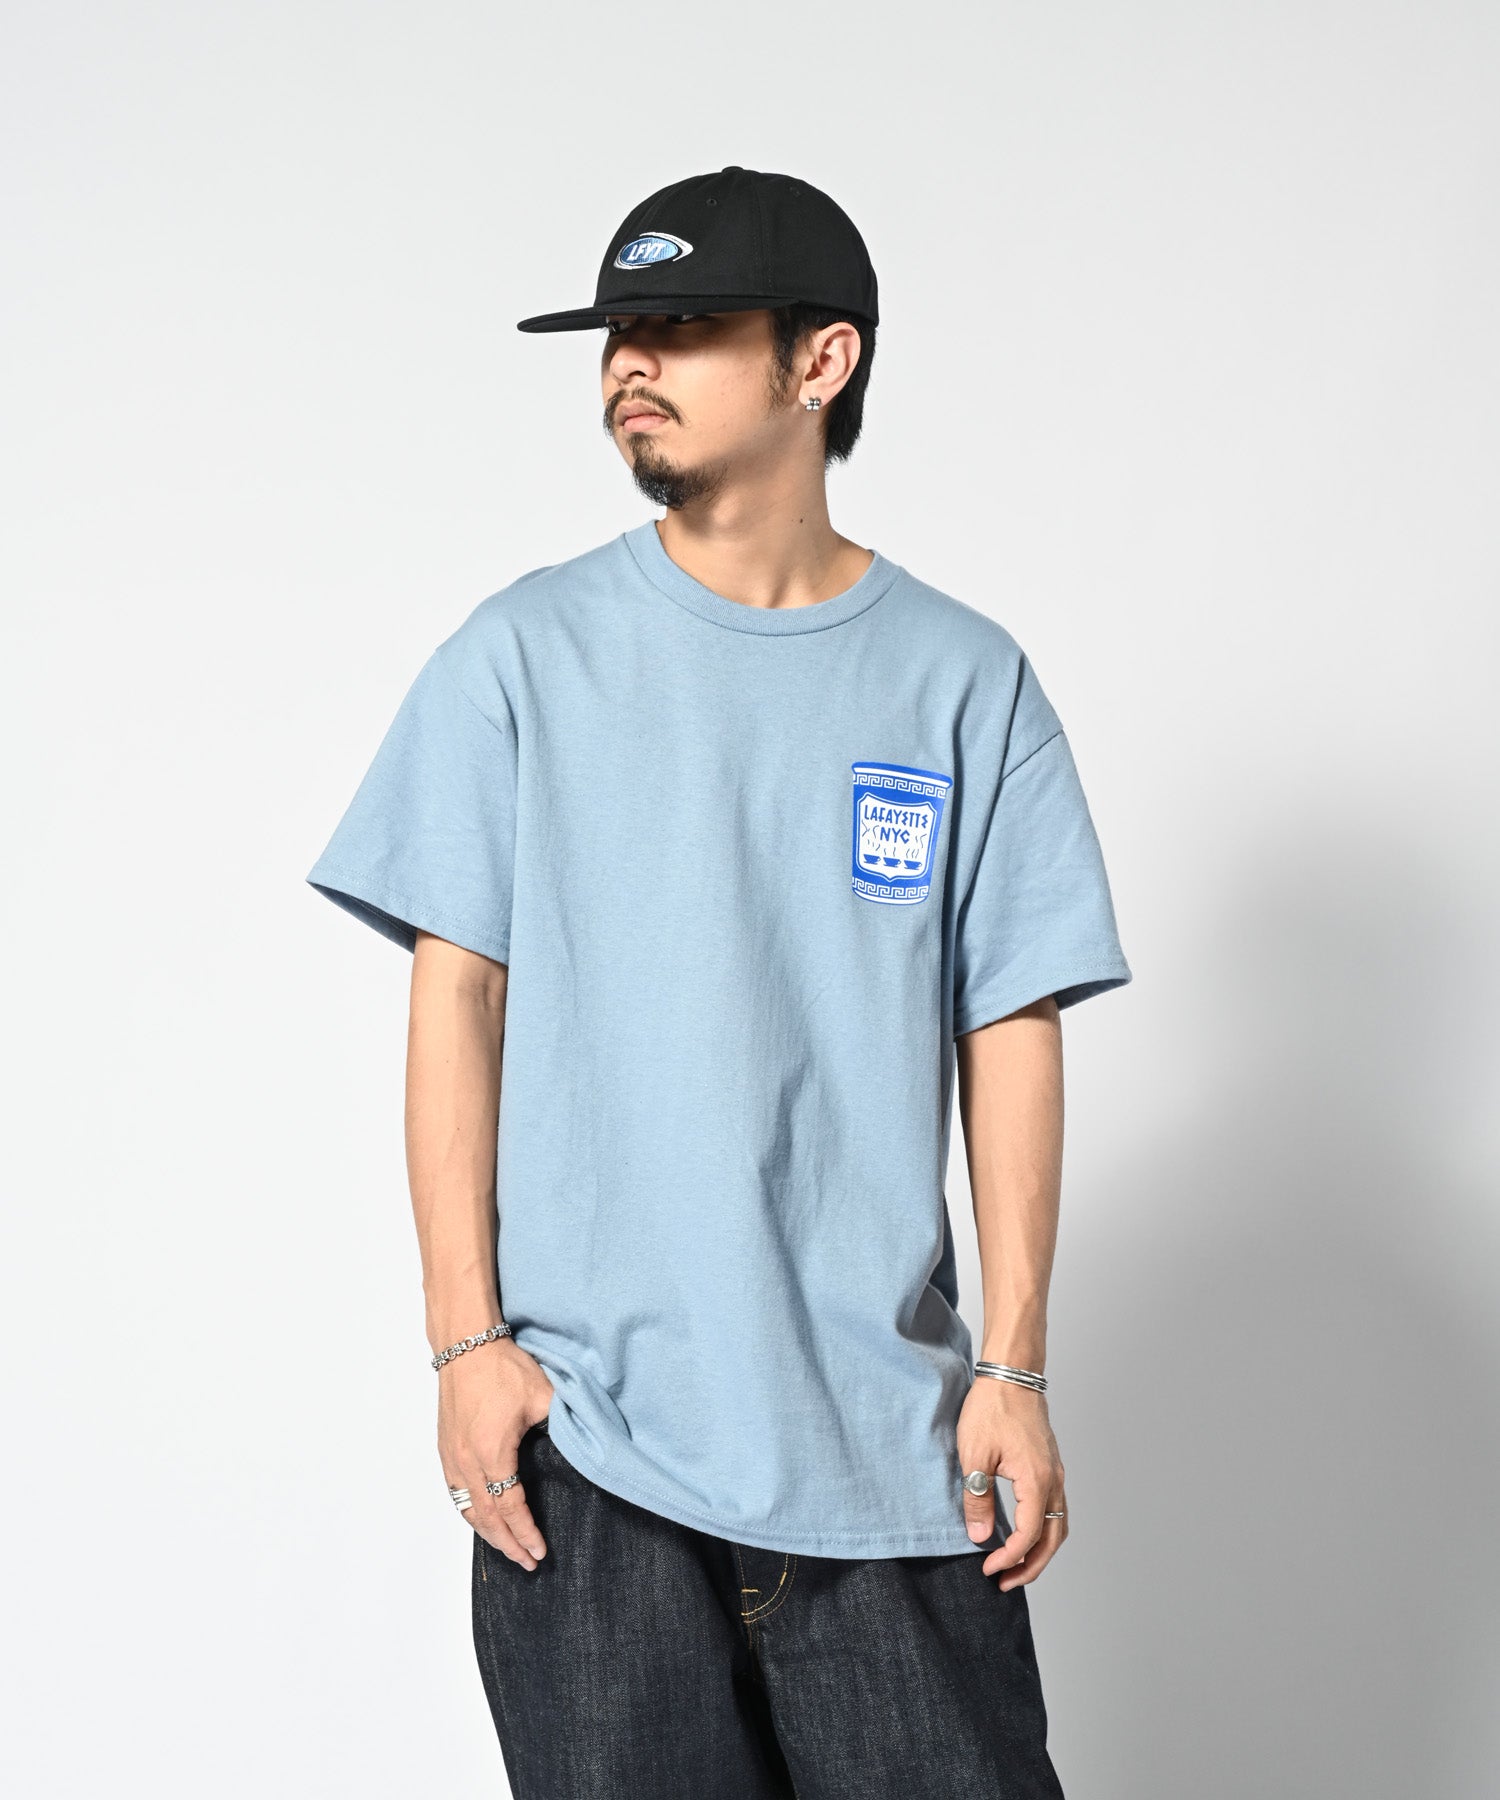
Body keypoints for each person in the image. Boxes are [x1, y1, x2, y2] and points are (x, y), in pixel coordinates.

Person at [305, 164, 1132, 1799]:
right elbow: (457, 1003)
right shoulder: (520, 659)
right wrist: (465, 1346)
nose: (631, 360)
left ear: (820, 361)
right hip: (595, 1463)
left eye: (681, 325)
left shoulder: (965, 682)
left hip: (893, 1459)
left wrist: (1016, 1370)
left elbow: (1010, 1026)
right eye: (618, 330)